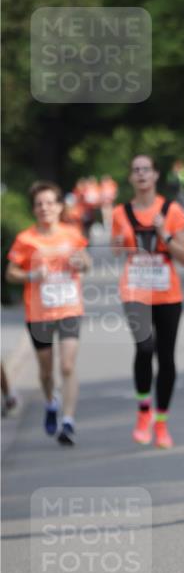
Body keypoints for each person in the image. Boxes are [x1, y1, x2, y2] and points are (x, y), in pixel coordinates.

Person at [111, 155, 184, 449]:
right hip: (135, 291)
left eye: (146, 169)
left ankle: (161, 422)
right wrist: (121, 242)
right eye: (136, 170)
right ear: (130, 178)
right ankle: (143, 411)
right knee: (144, 348)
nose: (141, 174)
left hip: (168, 293)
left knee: (166, 357)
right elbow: (116, 250)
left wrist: (163, 234)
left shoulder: (171, 210)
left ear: (156, 175)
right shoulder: (120, 212)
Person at [5, 181, 91, 445]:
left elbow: (86, 263)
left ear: (59, 207)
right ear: (34, 209)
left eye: (50, 203)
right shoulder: (25, 239)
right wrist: (31, 275)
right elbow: (10, 273)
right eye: (39, 204)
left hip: (69, 307)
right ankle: (51, 401)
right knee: (45, 371)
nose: (45, 208)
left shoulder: (72, 234)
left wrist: (80, 262)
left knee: (67, 365)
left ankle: (68, 421)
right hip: (39, 313)